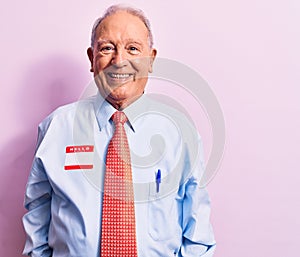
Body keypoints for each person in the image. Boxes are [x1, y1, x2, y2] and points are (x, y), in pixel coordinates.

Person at [22, 4, 216, 257]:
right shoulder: (56, 128)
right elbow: (37, 216)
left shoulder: (179, 131)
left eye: (133, 49)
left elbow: (197, 230)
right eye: (107, 48)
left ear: (151, 60)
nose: (119, 61)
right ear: (92, 58)